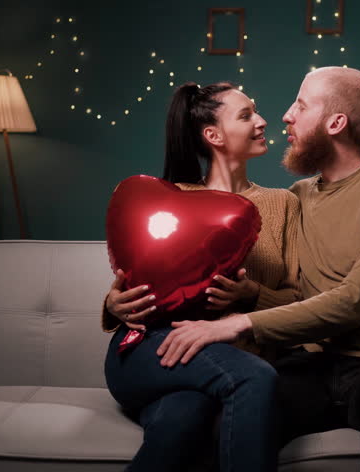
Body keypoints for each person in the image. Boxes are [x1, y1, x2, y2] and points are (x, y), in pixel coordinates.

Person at [157, 67, 360, 471]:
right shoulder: (296, 198)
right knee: (230, 417)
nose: (286, 115)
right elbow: (293, 287)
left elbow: (352, 303)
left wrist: (236, 323)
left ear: (335, 123)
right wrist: (250, 292)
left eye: (301, 106)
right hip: (314, 367)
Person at [102, 81, 301, 472]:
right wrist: (113, 304)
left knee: (182, 419)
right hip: (150, 347)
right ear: (213, 135)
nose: (262, 121)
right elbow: (132, 280)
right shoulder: (169, 196)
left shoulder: (284, 203)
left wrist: (250, 294)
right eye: (246, 115)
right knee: (254, 378)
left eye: (256, 111)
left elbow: (299, 299)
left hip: (217, 358)